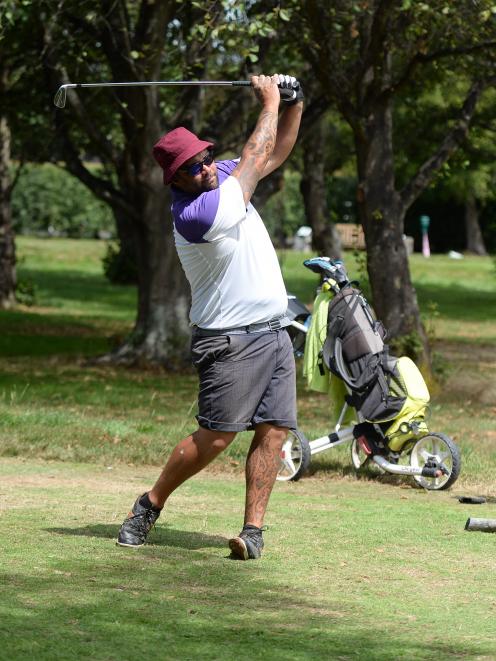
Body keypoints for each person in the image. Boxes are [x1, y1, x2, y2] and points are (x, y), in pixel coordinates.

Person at [117, 73, 304, 560]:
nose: (202, 168)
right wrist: (269, 101)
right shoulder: (196, 214)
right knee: (217, 437)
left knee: (274, 432)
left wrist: (294, 103)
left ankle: (253, 531)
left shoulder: (221, 174)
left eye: (203, 157)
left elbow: (273, 154)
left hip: (274, 333)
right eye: (190, 166)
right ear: (173, 179)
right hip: (229, 341)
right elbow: (255, 155)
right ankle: (148, 504)